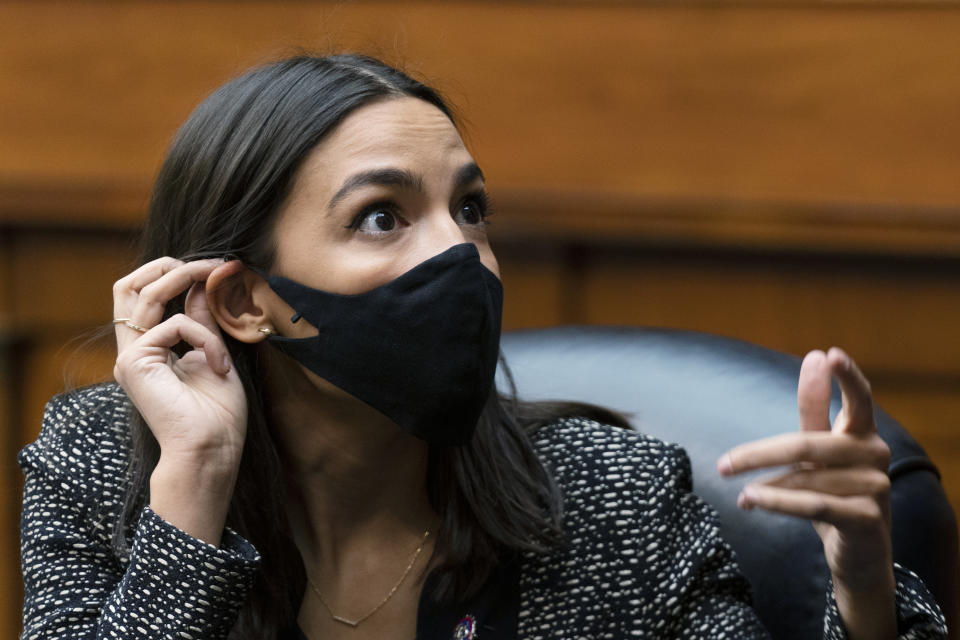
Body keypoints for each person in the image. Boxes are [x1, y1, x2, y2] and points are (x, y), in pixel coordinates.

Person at [18, 54, 946, 640]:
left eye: (469, 209)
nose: (461, 254)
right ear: (246, 300)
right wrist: (192, 503)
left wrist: (863, 596)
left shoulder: (607, 492)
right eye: (382, 217)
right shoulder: (99, 469)